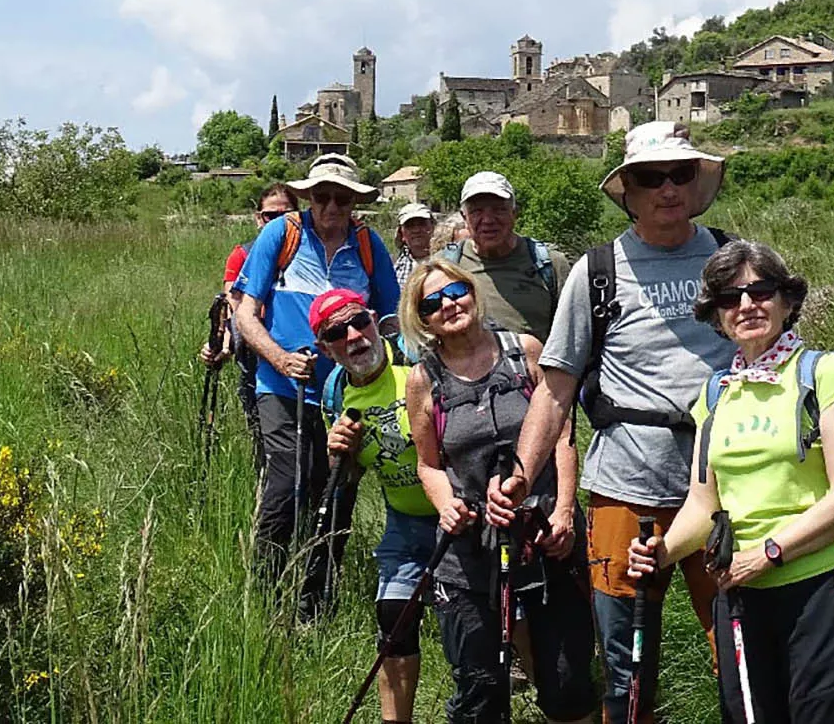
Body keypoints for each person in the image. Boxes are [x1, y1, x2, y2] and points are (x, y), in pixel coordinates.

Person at [489, 122, 734, 723]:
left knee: (739, 651)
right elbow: (555, 389)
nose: (668, 188)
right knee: (627, 667)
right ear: (628, 190)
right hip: (626, 488)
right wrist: (524, 472)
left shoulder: (732, 259)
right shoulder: (598, 271)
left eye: (680, 174)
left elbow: (779, 361)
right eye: (651, 178)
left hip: (729, 486)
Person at [627, 240, 834, 722]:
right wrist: (663, 551)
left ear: (788, 302)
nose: (746, 306)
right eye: (729, 298)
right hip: (743, 595)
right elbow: (704, 505)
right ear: (717, 316)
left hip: (824, 589)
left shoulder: (822, 374)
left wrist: (768, 553)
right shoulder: (715, 394)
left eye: (760, 291)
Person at [400, 260, 595, 724]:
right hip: (469, 550)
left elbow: (562, 432)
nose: (448, 304)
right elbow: (429, 463)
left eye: (455, 291)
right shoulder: (422, 380)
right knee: (479, 685)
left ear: (472, 292)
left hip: (545, 533)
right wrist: (446, 505)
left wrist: (566, 510)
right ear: (422, 318)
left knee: (568, 680)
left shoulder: (524, 350)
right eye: (432, 302)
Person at [234, 153, 401, 602]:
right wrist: (280, 358)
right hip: (282, 386)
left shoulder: (368, 244)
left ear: (354, 203)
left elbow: (390, 318)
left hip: (347, 395)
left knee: (335, 491)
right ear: (308, 197)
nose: (331, 208)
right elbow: (246, 313)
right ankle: (265, 594)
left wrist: (387, 371)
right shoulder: (281, 233)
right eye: (322, 197)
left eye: (341, 200)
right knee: (286, 483)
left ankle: (315, 600)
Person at [307, 287, 435, 724]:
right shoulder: (336, 391)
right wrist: (336, 453)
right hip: (406, 520)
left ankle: (557, 703)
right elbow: (352, 474)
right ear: (326, 348)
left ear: (376, 322)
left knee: (482, 631)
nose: (354, 336)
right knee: (394, 618)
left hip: (460, 513)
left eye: (359, 322)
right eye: (337, 332)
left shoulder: (418, 364)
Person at [201, 183, 299, 467]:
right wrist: (222, 344)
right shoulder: (242, 255)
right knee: (262, 432)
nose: (278, 221)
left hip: (297, 349)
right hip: (254, 352)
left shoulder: (305, 255)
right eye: (270, 215)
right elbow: (233, 306)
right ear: (259, 218)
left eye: (286, 213)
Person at [440, 171, 570, 341]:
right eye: (477, 211)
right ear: (464, 217)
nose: (488, 219)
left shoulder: (550, 264)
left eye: (499, 209)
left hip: (536, 365)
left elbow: (573, 338)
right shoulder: (444, 267)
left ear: (514, 213)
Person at [393, 202, 435, 287]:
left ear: (433, 226)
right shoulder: (393, 268)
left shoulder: (447, 259)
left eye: (421, 224)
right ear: (401, 233)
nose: (416, 230)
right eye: (410, 225)